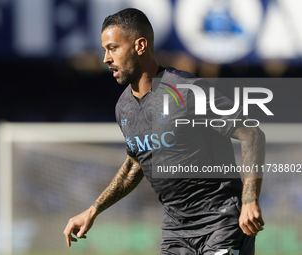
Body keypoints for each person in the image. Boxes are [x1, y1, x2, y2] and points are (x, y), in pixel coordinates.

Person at [63, 8, 265, 255]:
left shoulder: (188, 91)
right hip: (176, 233)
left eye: (113, 48)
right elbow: (136, 163)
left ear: (140, 46)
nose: (106, 58)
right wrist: (93, 210)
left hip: (221, 222)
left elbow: (252, 134)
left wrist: (248, 200)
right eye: (105, 49)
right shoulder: (123, 108)